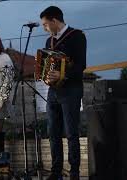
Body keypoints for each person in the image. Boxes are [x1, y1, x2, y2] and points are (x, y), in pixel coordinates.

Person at [39, 6, 87, 180]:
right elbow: (47, 66)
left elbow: (81, 66)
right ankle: (56, 172)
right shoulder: (48, 42)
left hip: (72, 90)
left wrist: (63, 74)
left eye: (45, 24)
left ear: (54, 21)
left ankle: (74, 173)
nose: (44, 28)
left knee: (71, 132)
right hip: (53, 91)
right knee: (53, 133)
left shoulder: (77, 36)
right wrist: (47, 77)